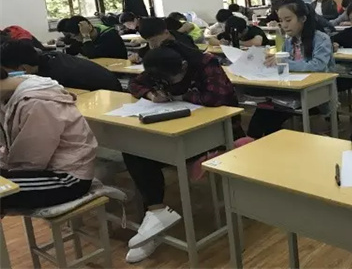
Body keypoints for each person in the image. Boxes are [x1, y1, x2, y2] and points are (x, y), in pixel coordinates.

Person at [125, 41, 241, 262]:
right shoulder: (160, 63)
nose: (168, 84)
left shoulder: (206, 64)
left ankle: (154, 221)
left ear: (184, 66)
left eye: (172, 80)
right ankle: (156, 212)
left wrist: (180, 98)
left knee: (151, 152)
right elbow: (135, 84)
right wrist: (151, 95)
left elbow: (217, 98)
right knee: (134, 149)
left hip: (216, 132)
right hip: (174, 127)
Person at [0, 70, 97, 213]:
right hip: (39, 168)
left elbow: (32, 159)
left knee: (4, 190)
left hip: (67, 177)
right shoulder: (9, 96)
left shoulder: (36, 103)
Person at [247, 0, 335, 138]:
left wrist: (283, 62)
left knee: (271, 116)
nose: (284, 25)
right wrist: (268, 63)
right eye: (281, 21)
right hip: (291, 90)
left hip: (316, 91)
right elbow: (283, 64)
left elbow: (317, 65)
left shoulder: (321, 38)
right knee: (263, 112)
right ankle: (255, 143)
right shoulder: (289, 41)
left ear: (303, 18)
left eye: (288, 20)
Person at [0, 40, 122, 92]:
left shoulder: (52, 77)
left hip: (109, 94)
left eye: (7, 72)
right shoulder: (49, 58)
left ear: (23, 69)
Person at [128, 17, 198, 64]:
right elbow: (142, 55)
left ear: (166, 33)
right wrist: (137, 57)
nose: (152, 44)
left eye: (153, 40)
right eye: (149, 41)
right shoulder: (154, 43)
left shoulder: (184, 41)